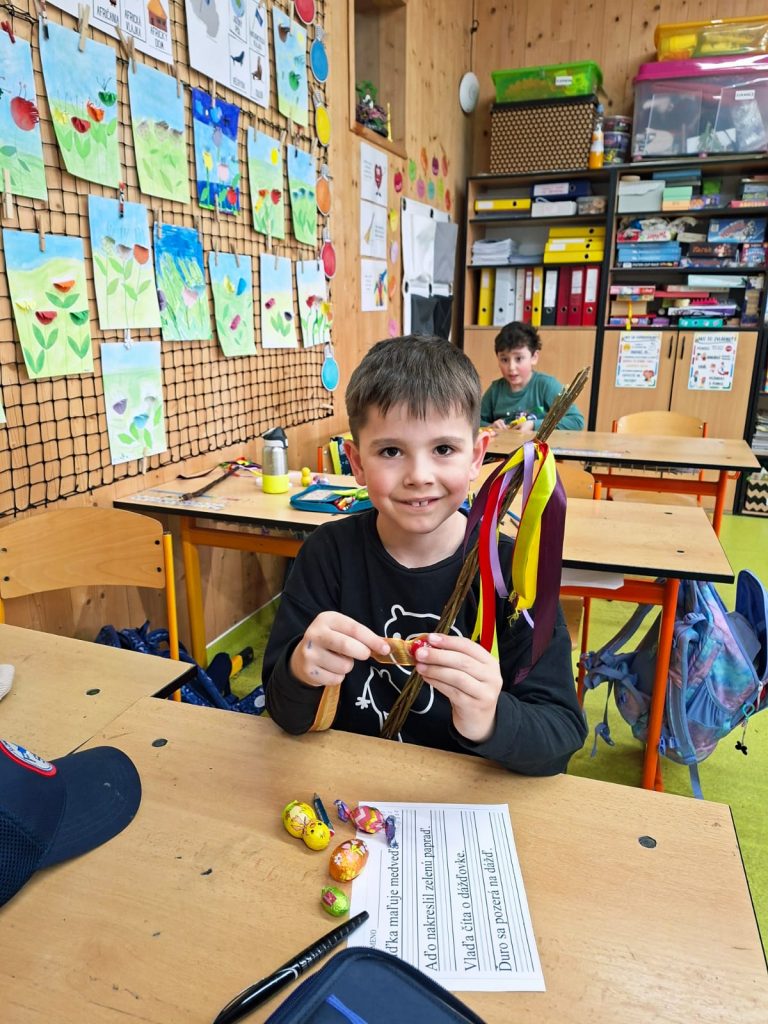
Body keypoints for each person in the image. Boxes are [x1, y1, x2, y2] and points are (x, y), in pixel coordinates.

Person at [263, 335, 587, 776]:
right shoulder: (327, 555)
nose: (419, 475)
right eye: (391, 451)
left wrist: (491, 717)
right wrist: (302, 670)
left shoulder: (512, 573)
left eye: (443, 449)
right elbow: (283, 712)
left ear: (476, 456)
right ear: (356, 462)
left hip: (464, 800)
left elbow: (560, 737)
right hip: (350, 789)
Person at [480, 322, 584, 432]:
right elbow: (473, 421)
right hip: (504, 443)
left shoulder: (546, 385)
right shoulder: (495, 390)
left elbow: (576, 421)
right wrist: (490, 426)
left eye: (519, 359)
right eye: (504, 359)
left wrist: (534, 425)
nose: (511, 367)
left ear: (534, 357)